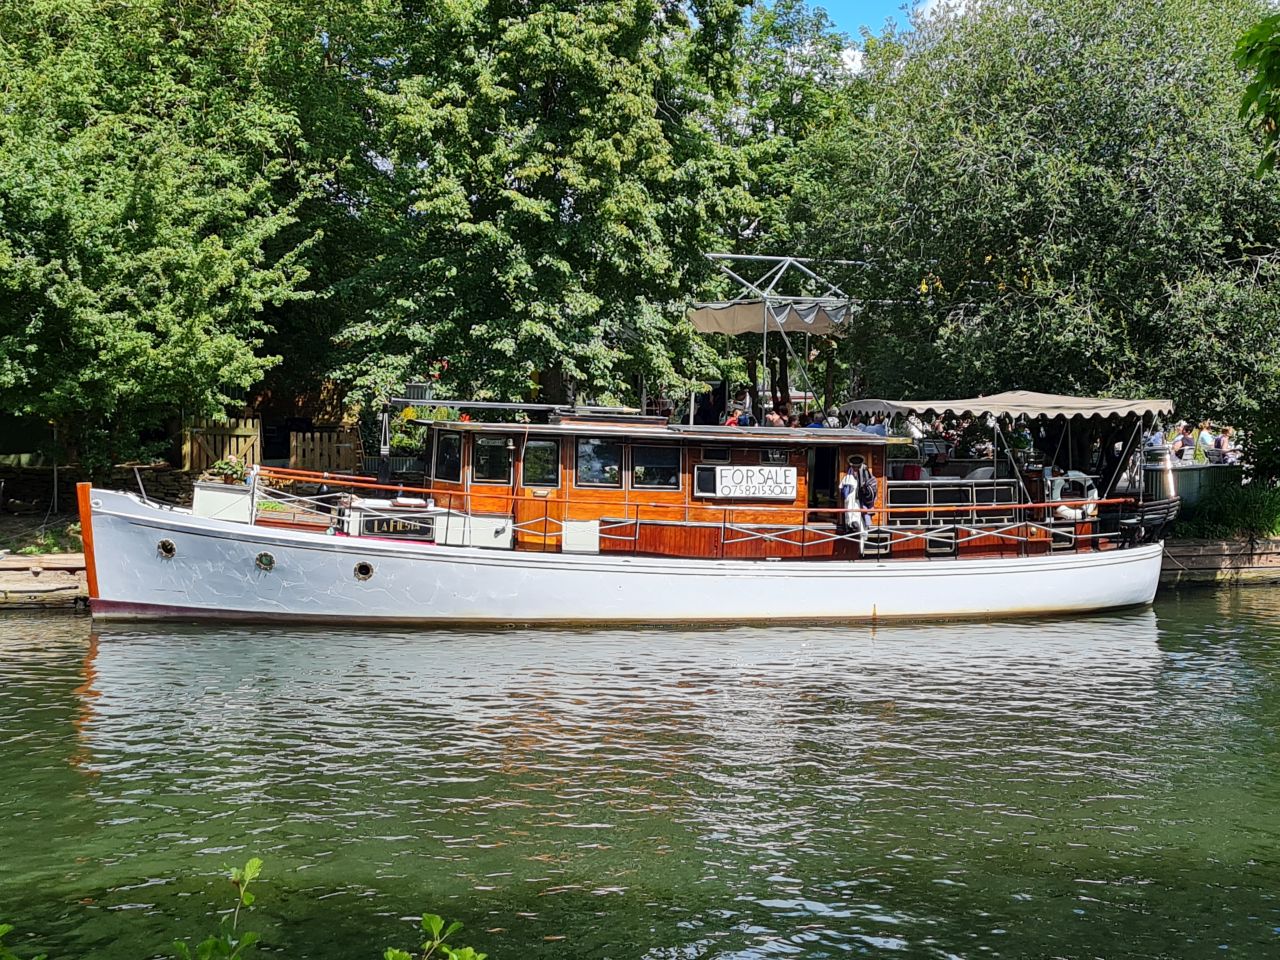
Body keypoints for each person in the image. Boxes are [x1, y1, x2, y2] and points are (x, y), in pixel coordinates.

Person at [839, 455, 877, 548]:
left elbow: (872, 489)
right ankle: (857, 539)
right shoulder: (848, 478)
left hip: (862, 503)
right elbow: (842, 490)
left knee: (862, 522)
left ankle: (862, 545)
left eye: (857, 467)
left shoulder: (866, 475)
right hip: (854, 503)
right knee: (855, 520)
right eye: (854, 467)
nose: (855, 469)